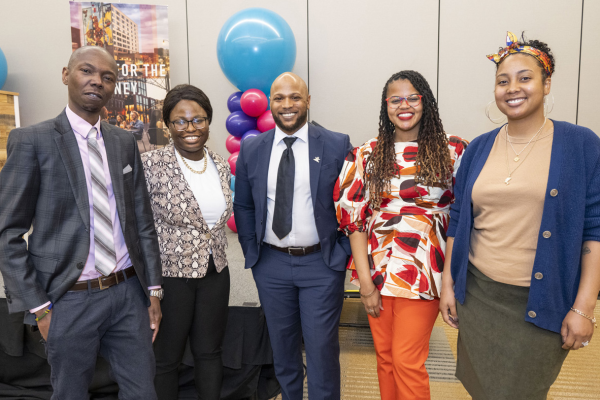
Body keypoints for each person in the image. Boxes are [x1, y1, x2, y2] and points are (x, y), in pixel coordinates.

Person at [439, 32, 600, 400]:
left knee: (521, 391)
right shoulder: (478, 148)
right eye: (502, 80)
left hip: (540, 302)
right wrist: (449, 283)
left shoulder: (580, 145)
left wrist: (584, 307)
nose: (513, 88)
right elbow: (460, 217)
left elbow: (595, 228)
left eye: (525, 78)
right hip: (479, 297)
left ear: (546, 83)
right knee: (482, 387)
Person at [0, 46, 163, 399]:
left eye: (107, 77)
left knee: (143, 392)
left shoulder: (123, 142)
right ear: (65, 75)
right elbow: (7, 233)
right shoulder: (32, 141)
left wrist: (152, 290)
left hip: (127, 294)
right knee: (71, 393)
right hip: (68, 299)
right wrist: (38, 306)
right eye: (87, 71)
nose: (97, 81)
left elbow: (142, 222)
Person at [335, 70, 468, 400]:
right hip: (378, 268)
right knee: (386, 359)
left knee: (408, 360)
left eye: (412, 98)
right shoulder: (367, 153)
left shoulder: (453, 150)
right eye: (395, 99)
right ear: (386, 106)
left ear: (426, 102)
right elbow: (354, 221)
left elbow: (467, 216)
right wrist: (365, 283)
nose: (404, 106)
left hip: (426, 269)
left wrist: (453, 281)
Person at [234, 72, 353, 400]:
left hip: (321, 265)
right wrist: (251, 251)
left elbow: (353, 205)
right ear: (270, 103)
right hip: (270, 264)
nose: (287, 105)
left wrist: (341, 253)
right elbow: (243, 205)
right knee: (283, 349)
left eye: (295, 97)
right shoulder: (252, 148)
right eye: (279, 98)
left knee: (321, 351)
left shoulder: (336, 144)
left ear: (308, 101)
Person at [141, 84, 232, 400]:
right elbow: (139, 227)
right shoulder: (151, 165)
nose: (191, 128)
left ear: (208, 122)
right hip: (170, 276)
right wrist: (150, 287)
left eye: (199, 119)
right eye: (180, 120)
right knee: (166, 360)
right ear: (168, 125)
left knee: (210, 352)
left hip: (215, 273)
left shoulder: (218, 163)